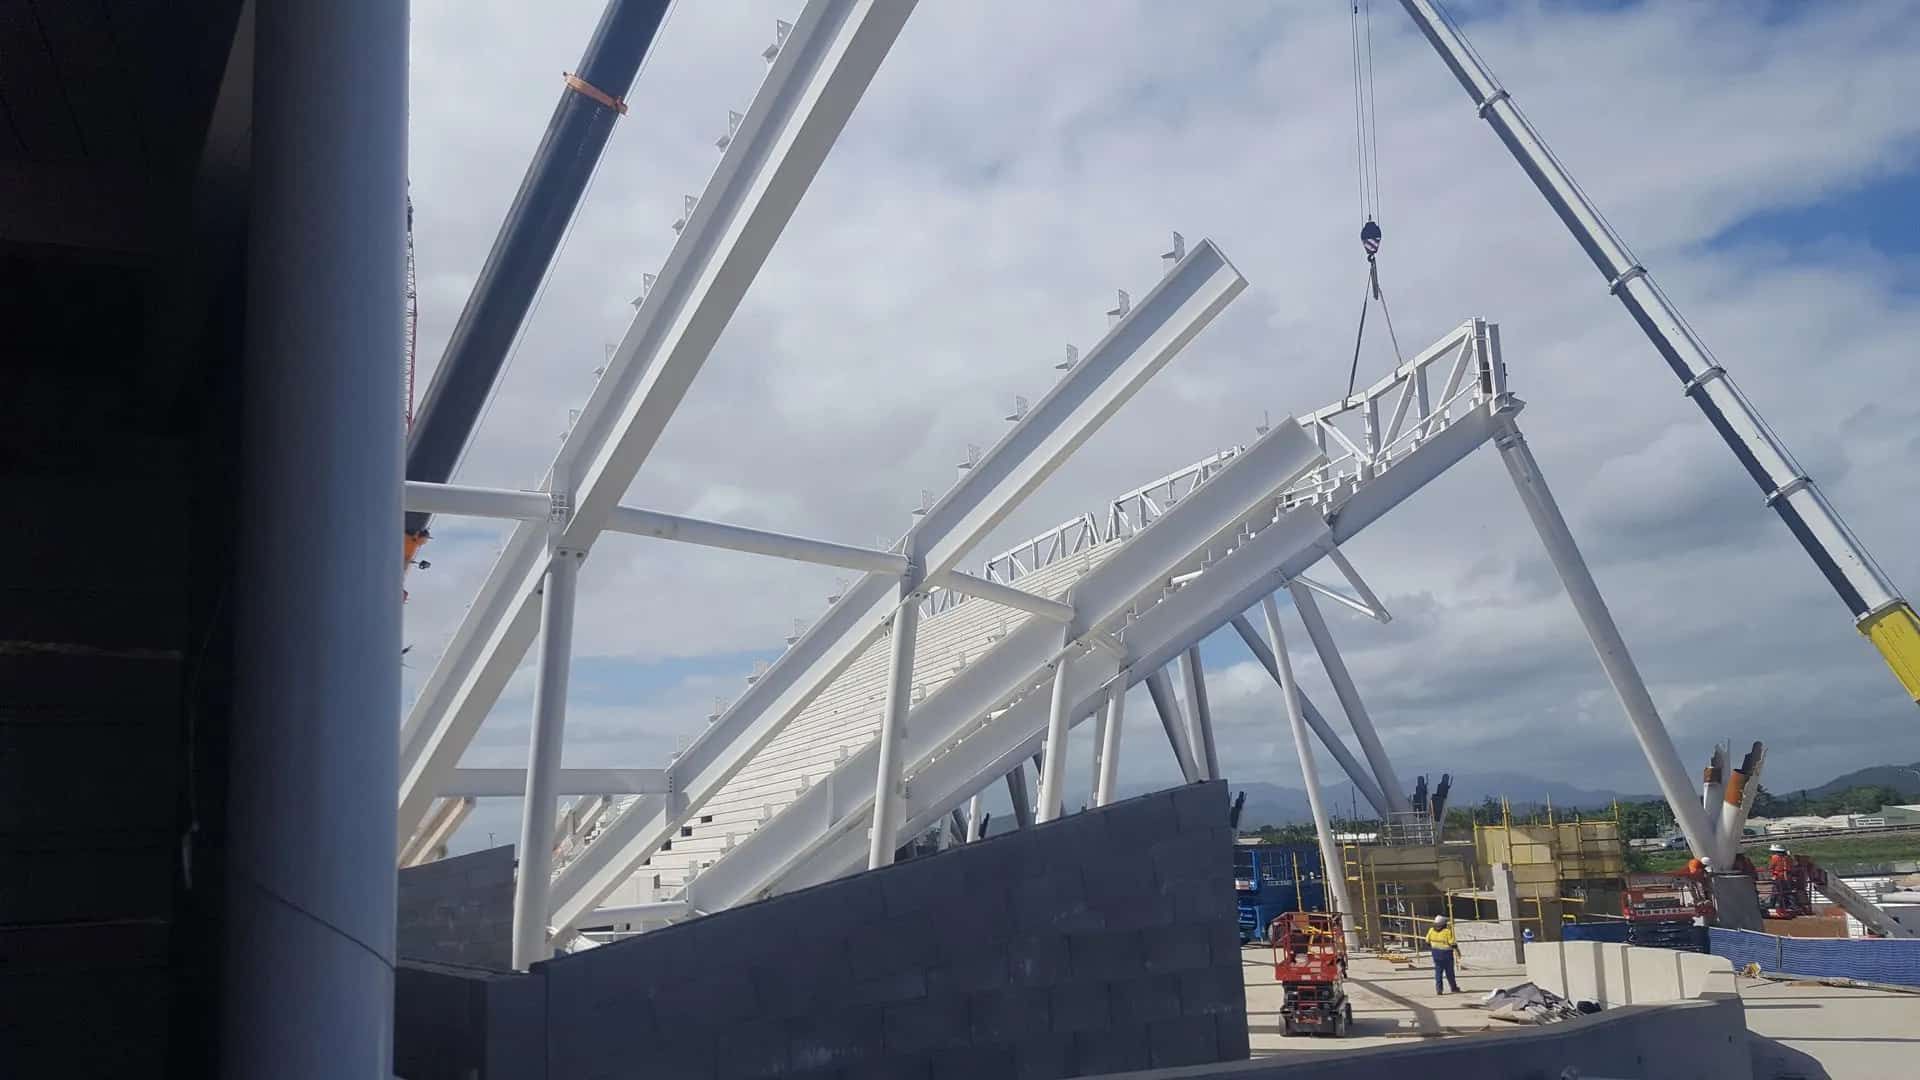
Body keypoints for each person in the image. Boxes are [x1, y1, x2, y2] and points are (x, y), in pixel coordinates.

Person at [1427, 915, 1460, 995]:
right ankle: (1453, 987)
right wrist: (1457, 950)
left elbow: (1427, 941)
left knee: (1438, 972)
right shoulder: (1447, 931)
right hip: (1447, 954)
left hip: (1436, 954)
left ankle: (1439, 989)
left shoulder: (1431, 930)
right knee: (1450, 972)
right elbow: (1452, 943)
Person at [1768, 843, 1792, 909]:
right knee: (1786, 892)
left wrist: (1773, 874)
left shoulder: (1774, 858)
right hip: (1787, 877)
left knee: (1775, 891)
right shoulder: (1788, 858)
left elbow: (1770, 867)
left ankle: (1772, 905)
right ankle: (1788, 905)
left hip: (1778, 877)